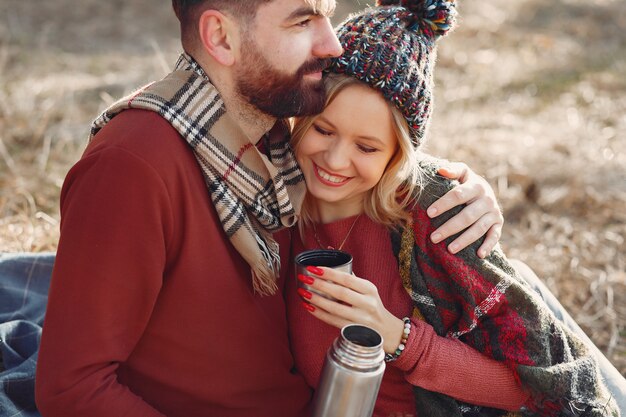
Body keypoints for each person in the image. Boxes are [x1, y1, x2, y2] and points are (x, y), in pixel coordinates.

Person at [33, 1, 507, 416]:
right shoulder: (133, 165)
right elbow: (72, 388)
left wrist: (453, 186)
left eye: (328, 15)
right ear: (221, 37)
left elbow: (366, 145)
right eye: (303, 21)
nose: (332, 44)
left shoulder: (277, 136)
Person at [285, 1, 622, 416]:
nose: (335, 160)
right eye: (323, 129)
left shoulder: (433, 221)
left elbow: (533, 388)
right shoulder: (274, 198)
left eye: (366, 147)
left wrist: (396, 336)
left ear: (398, 156)